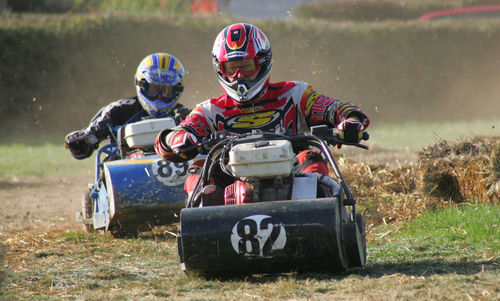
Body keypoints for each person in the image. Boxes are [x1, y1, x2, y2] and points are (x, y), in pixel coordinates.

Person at [154, 23, 370, 203]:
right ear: (221, 69)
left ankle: (318, 215)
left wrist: (350, 121)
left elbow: (335, 108)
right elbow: (175, 135)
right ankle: (208, 228)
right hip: (232, 176)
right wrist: (176, 139)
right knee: (199, 169)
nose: (239, 76)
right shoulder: (210, 110)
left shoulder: (295, 93)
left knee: (311, 157)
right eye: (232, 69)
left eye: (246, 66)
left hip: (291, 172)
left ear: (262, 62)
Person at [65, 52, 190, 160]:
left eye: (166, 91)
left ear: (177, 90)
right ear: (141, 85)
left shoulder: (185, 115)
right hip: (124, 174)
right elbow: (84, 149)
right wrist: (82, 142)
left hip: (173, 174)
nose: (159, 96)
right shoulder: (118, 110)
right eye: (154, 89)